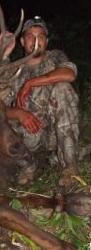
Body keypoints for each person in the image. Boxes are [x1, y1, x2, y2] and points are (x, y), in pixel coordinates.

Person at [4, 16, 79, 187]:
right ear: (22, 41)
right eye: (30, 36)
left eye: (41, 36)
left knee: (63, 88)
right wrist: (19, 113)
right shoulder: (13, 69)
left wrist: (30, 83)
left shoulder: (56, 57)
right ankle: (29, 167)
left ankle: (70, 168)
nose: (36, 40)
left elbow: (69, 74)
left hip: (54, 133)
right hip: (29, 136)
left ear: (47, 41)